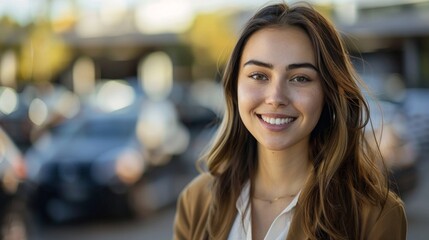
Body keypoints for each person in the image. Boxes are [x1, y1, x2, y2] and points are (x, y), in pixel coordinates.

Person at [173, 2, 407, 240]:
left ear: (328, 93)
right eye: (258, 75)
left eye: (300, 78)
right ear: (234, 87)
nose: (276, 98)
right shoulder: (196, 201)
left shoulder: (376, 216)